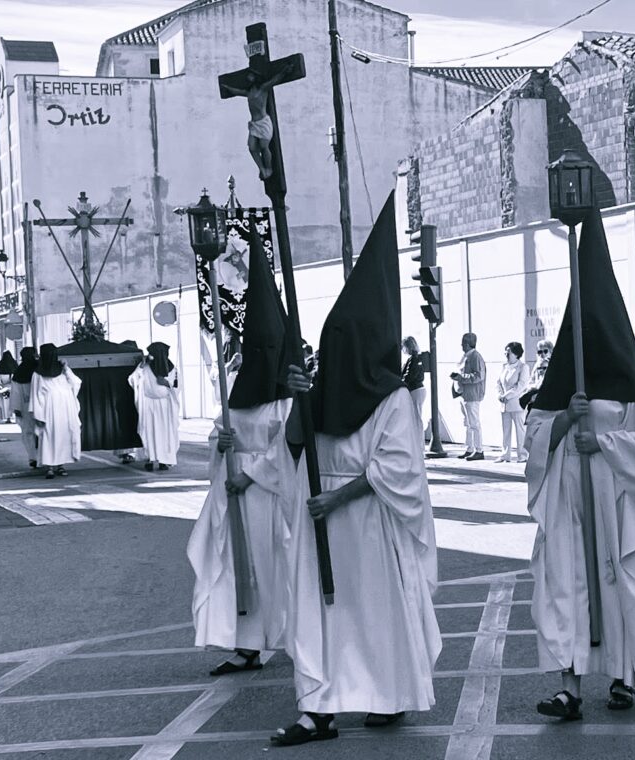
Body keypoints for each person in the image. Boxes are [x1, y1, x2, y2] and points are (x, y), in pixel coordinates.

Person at [271, 194, 439, 746]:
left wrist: (335, 501)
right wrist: (299, 398)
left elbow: (398, 470)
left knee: (373, 615)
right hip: (324, 518)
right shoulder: (320, 390)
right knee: (322, 616)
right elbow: (293, 447)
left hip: (366, 523)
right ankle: (317, 711)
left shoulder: (393, 400)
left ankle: (385, 697)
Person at [526, 209, 635, 723]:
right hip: (569, 501)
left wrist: (602, 442)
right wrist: (561, 423)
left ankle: (623, 677)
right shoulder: (562, 383)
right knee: (563, 586)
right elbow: (535, 436)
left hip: (616, 499)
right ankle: (568, 688)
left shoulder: (632, 386)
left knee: (620, 584)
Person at [189, 227, 294, 678]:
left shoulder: (287, 399)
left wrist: (248, 476)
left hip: (268, 498)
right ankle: (244, 644)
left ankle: (289, 639)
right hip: (232, 495)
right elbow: (218, 436)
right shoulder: (238, 392)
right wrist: (222, 445)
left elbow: (288, 448)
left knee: (273, 572)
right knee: (234, 570)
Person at [221, 64, 295, 180]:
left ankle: (269, 168)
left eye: (251, 75)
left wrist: (284, 72)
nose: (248, 77)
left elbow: (275, 80)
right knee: (251, 147)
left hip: (263, 122)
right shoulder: (249, 92)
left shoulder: (263, 88)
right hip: (254, 124)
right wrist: (227, 87)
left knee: (264, 146)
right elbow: (237, 91)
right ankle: (262, 168)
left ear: (256, 77)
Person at [28, 344, 82, 480]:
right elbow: (35, 394)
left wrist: (66, 368)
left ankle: (61, 465)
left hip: (65, 408)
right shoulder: (38, 373)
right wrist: (38, 414)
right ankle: (50, 467)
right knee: (49, 436)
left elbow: (75, 383)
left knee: (63, 435)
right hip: (49, 409)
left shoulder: (62, 369)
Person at [129, 342, 180, 471]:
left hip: (164, 406)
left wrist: (166, 383)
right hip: (148, 405)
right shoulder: (145, 367)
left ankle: (164, 460)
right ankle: (151, 459)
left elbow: (178, 387)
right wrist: (141, 365)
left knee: (164, 434)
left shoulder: (171, 368)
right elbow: (132, 379)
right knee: (149, 432)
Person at [451, 332, 486, 461]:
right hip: (464, 394)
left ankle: (479, 450)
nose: (461, 345)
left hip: (472, 395)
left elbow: (478, 376)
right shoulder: (466, 356)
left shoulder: (475, 357)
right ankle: (470, 448)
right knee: (468, 423)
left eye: (463, 343)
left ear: (467, 343)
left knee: (474, 423)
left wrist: (461, 378)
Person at [496, 341, 530, 462]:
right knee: (506, 430)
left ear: (516, 354)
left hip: (517, 404)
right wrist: (500, 394)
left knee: (520, 430)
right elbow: (499, 382)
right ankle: (505, 454)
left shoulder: (523, 367)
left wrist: (507, 395)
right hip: (504, 405)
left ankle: (523, 455)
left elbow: (521, 385)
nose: (506, 354)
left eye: (509, 352)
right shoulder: (504, 366)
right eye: (505, 351)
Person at [10, 347, 39, 469]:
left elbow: (16, 393)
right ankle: (45, 457)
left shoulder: (19, 372)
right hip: (41, 405)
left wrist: (17, 409)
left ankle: (33, 457)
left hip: (26, 406)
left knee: (28, 432)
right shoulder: (40, 368)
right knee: (43, 432)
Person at [401, 336, 426, 437]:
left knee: (416, 418)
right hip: (418, 389)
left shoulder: (413, 359)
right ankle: (419, 443)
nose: (403, 350)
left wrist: (400, 382)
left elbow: (409, 376)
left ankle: (419, 444)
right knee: (416, 416)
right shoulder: (416, 358)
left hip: (415, 390)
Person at [0, 351, 17, 423]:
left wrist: (0, 386)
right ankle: (15, 417)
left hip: (3, 387)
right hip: (13, 386)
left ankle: (8, 418)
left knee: (5, 403)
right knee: (14, 402)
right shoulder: (14, 364)